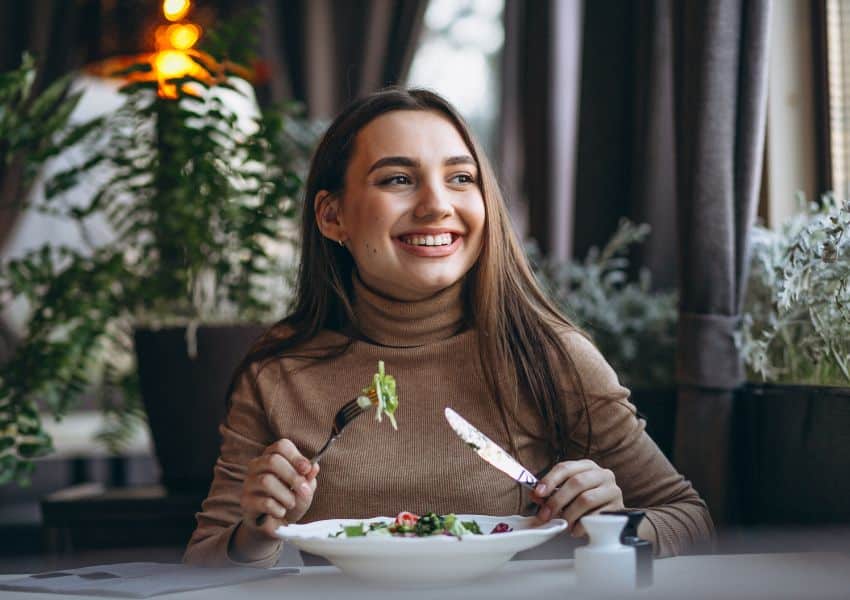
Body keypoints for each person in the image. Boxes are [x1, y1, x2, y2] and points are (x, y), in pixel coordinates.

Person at [183, 88, 714, 567]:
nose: (437, 205)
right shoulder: (278, 371)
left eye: (461, 178)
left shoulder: (550, 357)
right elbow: (205, 560)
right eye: (397, 179)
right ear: (331, 216)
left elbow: (691, 520)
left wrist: (614, 526)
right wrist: (255, 533)